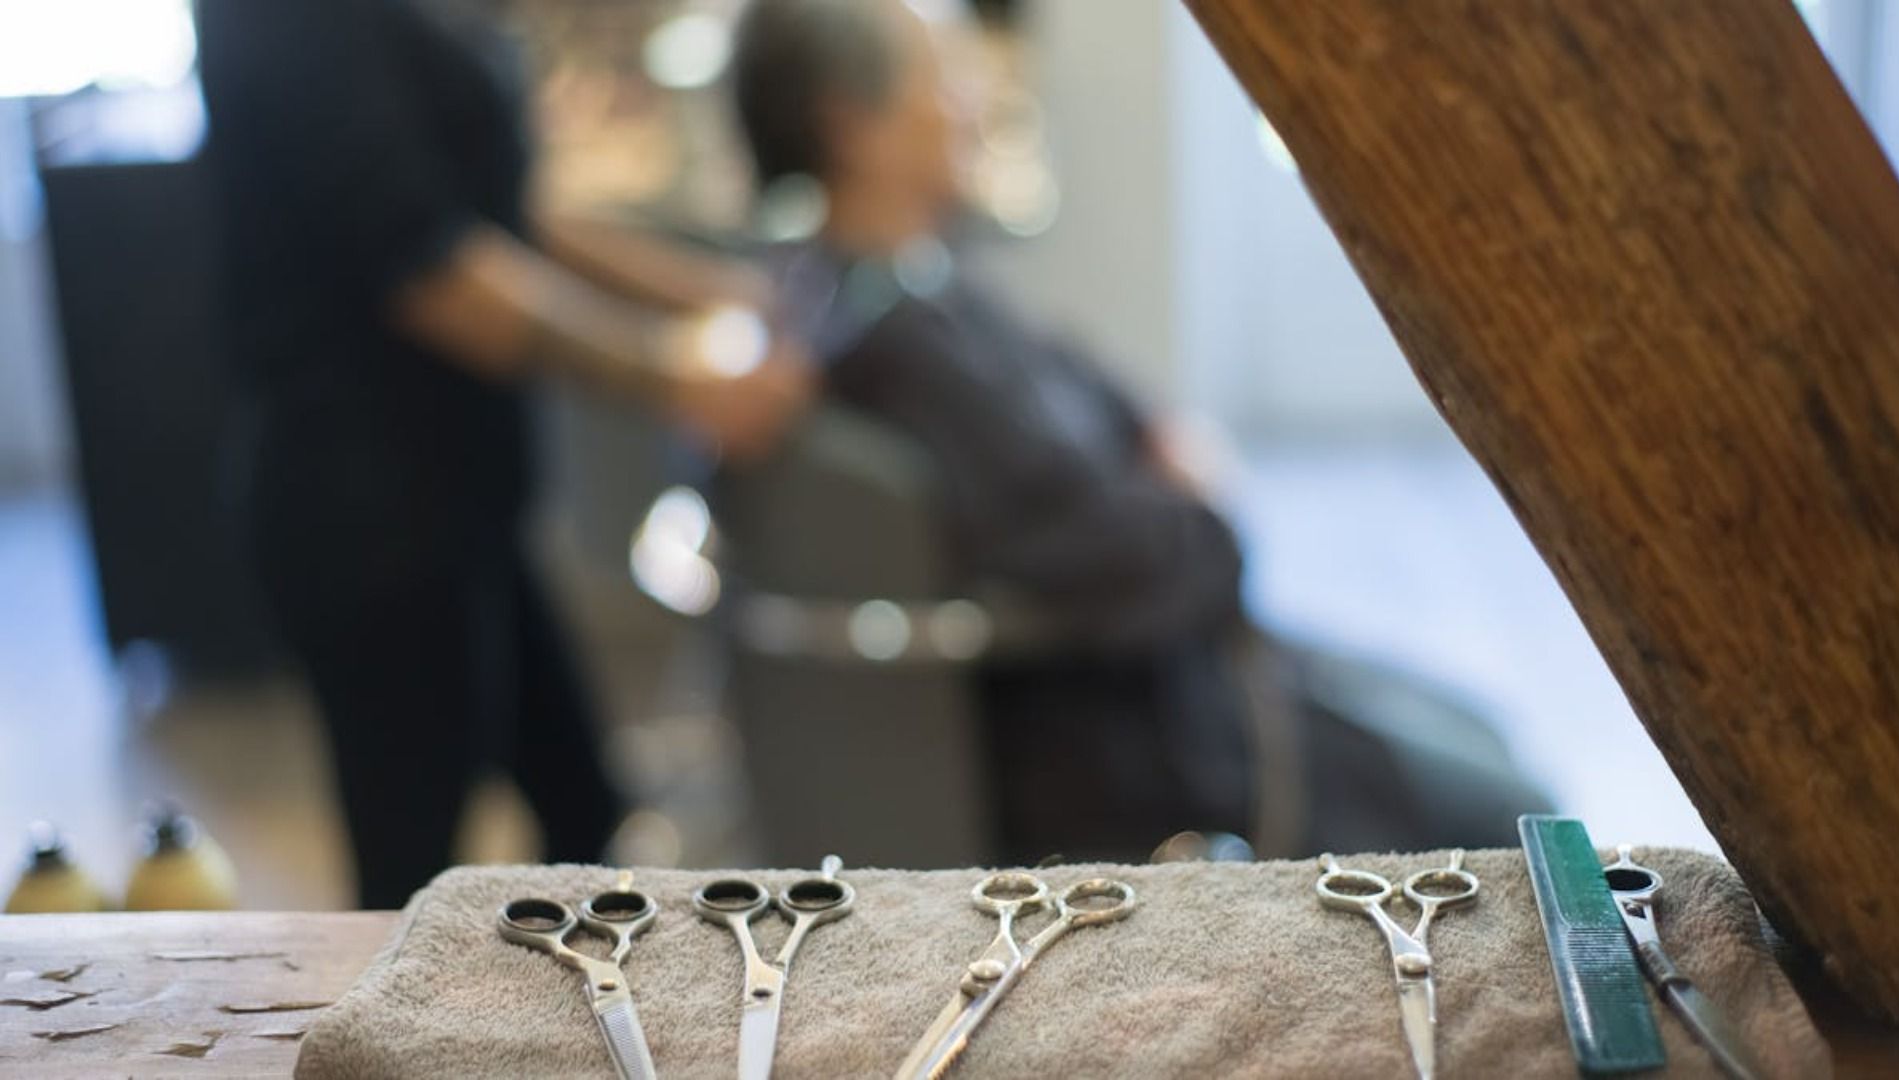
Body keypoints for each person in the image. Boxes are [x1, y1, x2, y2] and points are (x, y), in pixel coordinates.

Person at [729, 0, 1550, 862]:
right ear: (852, 128)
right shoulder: (903, 350)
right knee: (1513, 813)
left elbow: (1081, 381)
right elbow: (1123, 553)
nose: (975, 100)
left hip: (1173, 682)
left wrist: (1154, 439)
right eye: (944, 80)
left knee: (1479, 734)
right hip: (1141, 753)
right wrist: (1202, 513)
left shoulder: (876, 292)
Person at [196, 0, 810, 908]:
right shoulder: (292, 22)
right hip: (368, 516)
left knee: (583, 810)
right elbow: (434, 272)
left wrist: (711, 291)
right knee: (410, 866)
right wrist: (676, 376)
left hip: (461, 502)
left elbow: (498, 211)